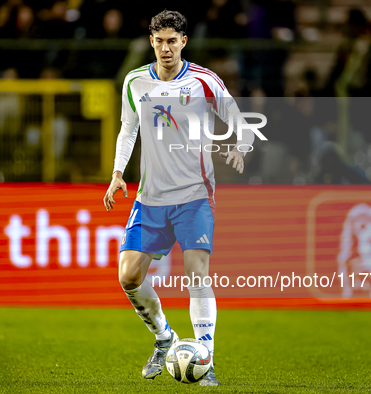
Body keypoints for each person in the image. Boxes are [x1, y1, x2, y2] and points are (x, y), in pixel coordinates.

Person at [103, 10, 254, 386]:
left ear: (184, 42)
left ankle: (207, 359)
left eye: (173, 41)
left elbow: (240, 121)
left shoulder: (204, 81)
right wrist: (118, 174)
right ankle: (164, 338)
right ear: (151, 42)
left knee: (197, 273)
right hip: (150, 197)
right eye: (159, 41)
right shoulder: (136, 82)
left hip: (193, 195)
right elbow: (127, 130)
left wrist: (240, 148)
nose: (166, 48)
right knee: (128, 276)